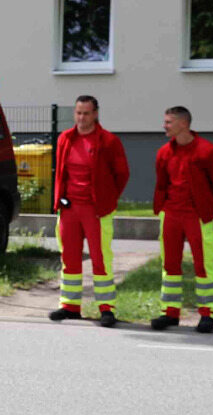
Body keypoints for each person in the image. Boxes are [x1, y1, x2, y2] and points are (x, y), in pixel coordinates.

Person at [48, 95, 129, 328]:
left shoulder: (108, 141)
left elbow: (122, 174)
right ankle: (70, 307)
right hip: (69, 209)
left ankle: (106, 309)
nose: (81, 118)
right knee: (70, 258)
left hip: (96, 211)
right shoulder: (65, 138)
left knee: (101, 259)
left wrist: (106, 199)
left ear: (95, 114)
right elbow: (61, 172)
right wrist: (61, 201)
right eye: (78, 113)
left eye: (86, 113)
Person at [151, 106, 213, 333]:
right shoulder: (164, 152)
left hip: (197, 216)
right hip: (171, 214)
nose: (164, 125)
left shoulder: (207, 151)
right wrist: (162, 207)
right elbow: (162, 182)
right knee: (170, 264)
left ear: (183, 124)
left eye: (168, 122)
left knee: (203, 265)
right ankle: (170, 312)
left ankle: (207, 314)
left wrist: (205, 204)